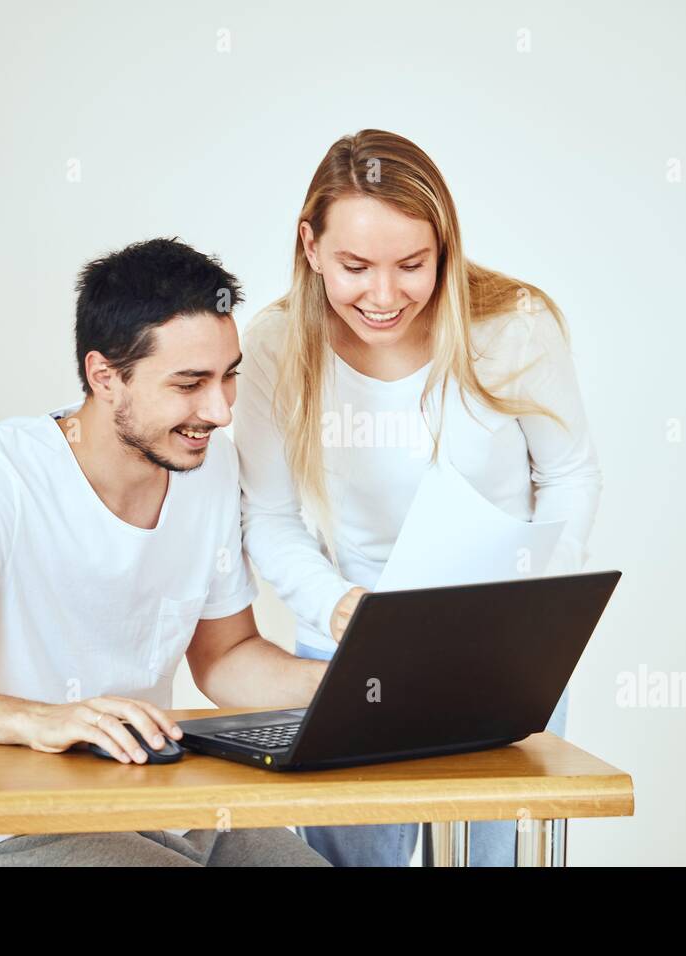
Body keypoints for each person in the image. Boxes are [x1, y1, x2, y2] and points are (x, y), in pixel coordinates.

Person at [0, 237, 330, 867]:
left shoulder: (210, 468)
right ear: (105, 377)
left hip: (166, 801)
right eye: (189, 383)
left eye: (228, 376)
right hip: (18, 823)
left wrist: (341, 687)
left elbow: (225, 657)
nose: (220, 411)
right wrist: (39, 720)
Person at [235, 130, 603, 866]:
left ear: (444, 247)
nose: (384, 296)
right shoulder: (275, 345)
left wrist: (532, 607)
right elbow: (268, 518)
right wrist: (338, 606)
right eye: (355, 267)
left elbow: (570, 475)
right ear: (310, 246)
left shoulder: (513, 324)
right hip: (347, 647)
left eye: (412, 265)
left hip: (505, 652)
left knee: (498, 858)